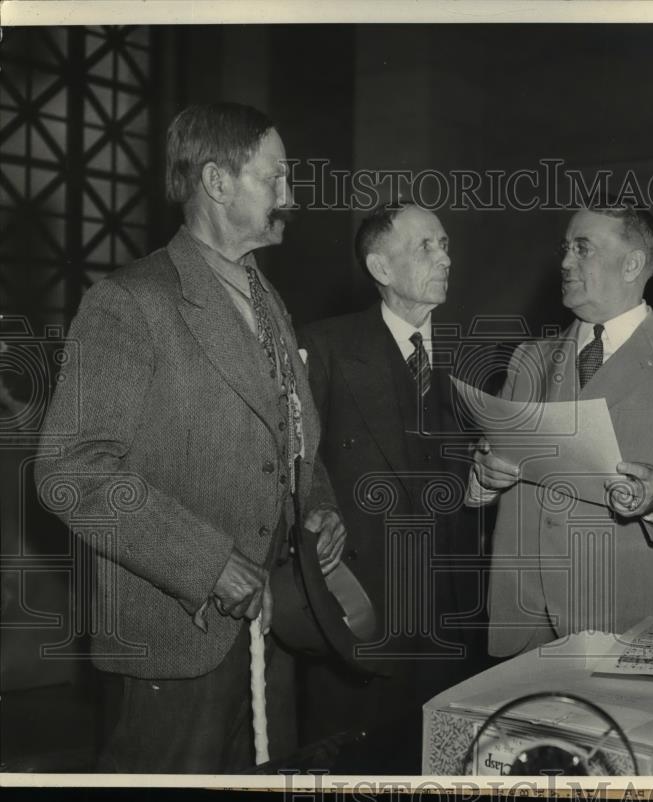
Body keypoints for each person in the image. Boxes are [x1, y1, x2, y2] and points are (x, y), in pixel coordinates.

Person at [34, 102, 345, 772]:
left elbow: (290, 436)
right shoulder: (130, 301)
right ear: (217, 181)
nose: (290, 197)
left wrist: (318, 504)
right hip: (173, 643)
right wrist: (204, 564)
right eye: (276, 178)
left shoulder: (269, 302)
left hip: (268, 638)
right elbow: (71, 468)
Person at [470, 203, 653, 657]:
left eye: (583, 249)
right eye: (565, 248)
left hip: (636, 625)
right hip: (528, 625)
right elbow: (489, 467)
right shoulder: (527, 359)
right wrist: (484, 477)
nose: (564, 262)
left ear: (633, 263)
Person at [297, 202, 486, 773]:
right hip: (362, 619)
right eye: (426, 246)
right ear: (380, 266)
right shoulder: (324, 347)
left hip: (449, 623)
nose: (445, 257)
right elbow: (295, 460)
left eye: (446, 244)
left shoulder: (468, 359)